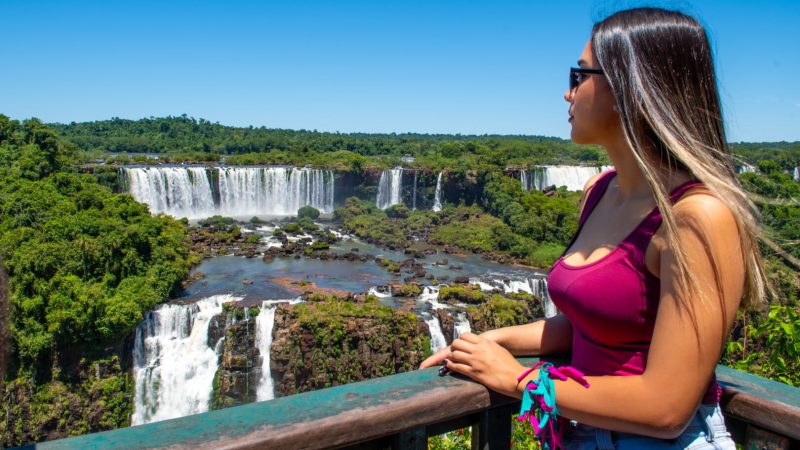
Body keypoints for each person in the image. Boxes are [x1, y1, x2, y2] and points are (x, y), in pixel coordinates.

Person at [420, 7, 769, 449]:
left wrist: (517, 378)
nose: (567, 94)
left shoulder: (698, 217)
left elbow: (666, 409)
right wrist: (487, 340)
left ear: (632, 87)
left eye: (579, 76)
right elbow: (593, 322)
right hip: (581, 433)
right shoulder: (600, 190)